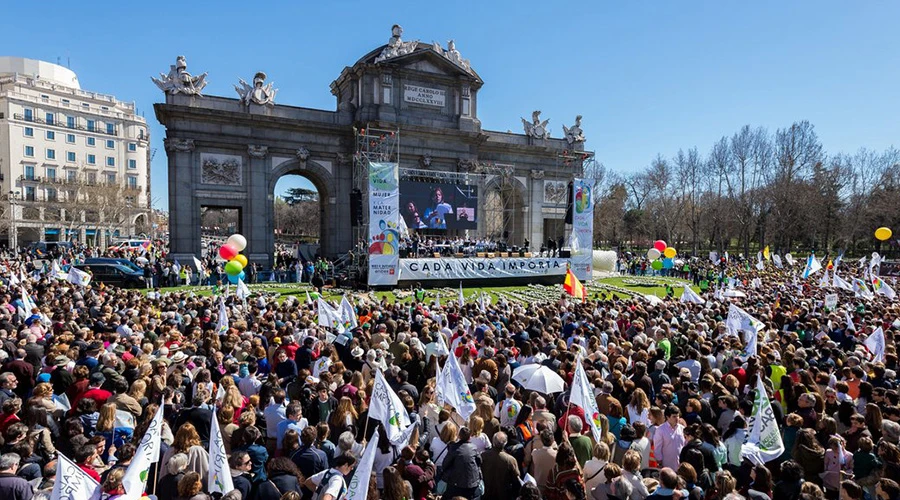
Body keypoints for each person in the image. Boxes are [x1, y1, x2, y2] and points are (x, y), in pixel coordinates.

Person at [441, 426, 483, 499]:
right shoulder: (473, 447)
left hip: (456, 484)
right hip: (471, 484)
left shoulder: (454, 448)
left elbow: (445, 464)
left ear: (459, 436)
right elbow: (480, 461)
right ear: (470, 437)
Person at [481, 432, 521, 500]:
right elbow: (516, 478)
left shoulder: (483, 456)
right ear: (505, 443)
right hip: (503, 494)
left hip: (487, 493)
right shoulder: (510, 460)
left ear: (493, 442)